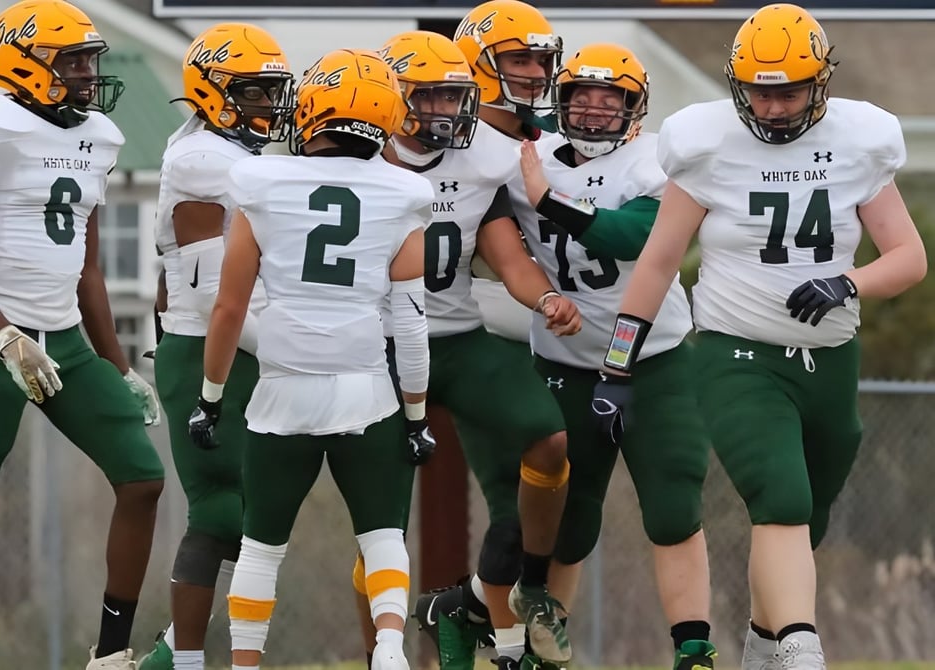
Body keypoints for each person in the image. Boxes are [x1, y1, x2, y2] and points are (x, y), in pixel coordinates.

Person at [600, 4, 926, 669]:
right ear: (736, 83)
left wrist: (849, 282)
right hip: (736, 352)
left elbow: (909, 257)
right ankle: (803, 652)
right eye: (759, 91)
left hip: (832, 359)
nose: (773, 107)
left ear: (821, 81)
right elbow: (659, 260)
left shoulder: (861, 139)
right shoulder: (707, 141)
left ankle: (762, 645)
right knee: (781, 498)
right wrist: (615, 366)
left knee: (805, 520)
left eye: (788, 91)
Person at [186, 48, 436, 670]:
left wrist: (210, 399)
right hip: (367, 391)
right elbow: (409, 318)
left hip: (281, 392)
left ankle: (245, 663)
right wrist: (416, 414)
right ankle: (387, 646)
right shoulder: (405, 190)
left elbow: (229, 308)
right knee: (382, 537)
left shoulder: (261, 181)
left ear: (314, 111)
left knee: (261, 547)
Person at [0, 1, 166, 668]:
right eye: (73, 61)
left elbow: (88, 267)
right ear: (26, 65)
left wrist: (118, 365)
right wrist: (4, 333)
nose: (89, 74)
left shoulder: (96, 136)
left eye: (90, 59)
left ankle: (111, 655)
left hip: (65, 337)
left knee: (143, 478)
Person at [375, 29, 579, 670]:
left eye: (454, 97)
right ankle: (379, 651)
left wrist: (546, 299)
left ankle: (532, 586)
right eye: (430, 98)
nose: (446, 112)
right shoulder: (359, 161)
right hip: (373, 346)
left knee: (548, 437)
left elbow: (509, 260)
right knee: (377, 518)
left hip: (455, 339)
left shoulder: (481, 162)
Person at [516, 43, 717, 669]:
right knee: (569, 517)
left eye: (612, 101)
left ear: (636, 108)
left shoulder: (656, 158)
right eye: (582, 99)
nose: (596, 112)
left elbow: (636, 235)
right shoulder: (528, 155)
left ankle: (694, 649)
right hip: (563, 360)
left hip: (655, 358)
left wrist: (549, 201)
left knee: (674, 503)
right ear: (562, 102)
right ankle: (546, 649)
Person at [136, 23, 296, 670]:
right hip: (206, 347)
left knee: (258, 510)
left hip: (241, 348)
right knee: (222, 511)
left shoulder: (237, 157)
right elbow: (207, 294)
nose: (270, 105)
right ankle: (184, 660)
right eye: (257, 91)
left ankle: (172, 658)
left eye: (273, 91)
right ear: (216, 94)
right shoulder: (201, 161)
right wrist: (296, 347)